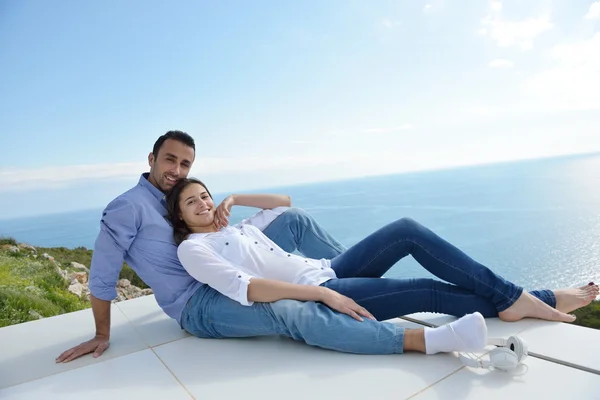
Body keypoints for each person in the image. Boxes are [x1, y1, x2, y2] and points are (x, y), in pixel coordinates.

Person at [163, 177, 599, 354]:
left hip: (330, 270)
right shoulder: (193, 250)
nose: (203, 203)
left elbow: (286, 204)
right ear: (179, 216)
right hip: (329, 293)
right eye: (191, 201)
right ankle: (531, 299)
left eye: (205, 195)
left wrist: (235, 198)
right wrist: (321, 293)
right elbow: (249, 288)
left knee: (406, 228)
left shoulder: (236, 227)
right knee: (428, 290)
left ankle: (512, 298)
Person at [55, 130, 351, 363]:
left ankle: (352, 279)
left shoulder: (181, 195)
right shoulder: (128, 206)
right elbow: (103, 271)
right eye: (169, 159)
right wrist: (101, 333)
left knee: (293, 219)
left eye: (185, 164)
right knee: (288, 311)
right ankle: (362, 312)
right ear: (151, 159)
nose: (177, 169)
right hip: (199, 298)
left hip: (225, 266)